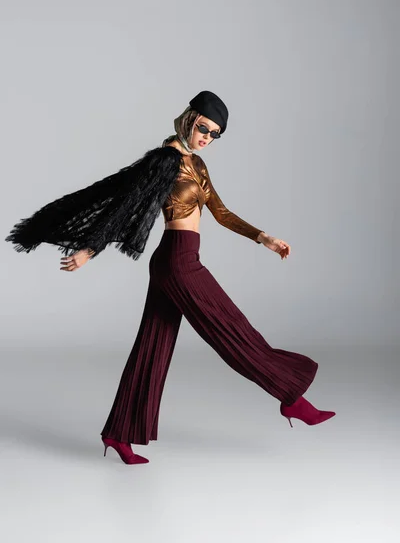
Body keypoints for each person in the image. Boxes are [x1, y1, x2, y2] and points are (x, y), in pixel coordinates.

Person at [6, 90, 335, 466]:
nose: (207, 138)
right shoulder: (163, 162)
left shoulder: (196, 164)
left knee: (153, 348)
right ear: (189, 119)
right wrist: (89, 250)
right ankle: (292, 398)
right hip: (178, 263)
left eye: (214, 134)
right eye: (203, 128)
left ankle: (118, 433)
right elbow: (125, 207)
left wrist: (264, 238)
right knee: (231, 329)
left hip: (177, 260)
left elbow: (221, 212)